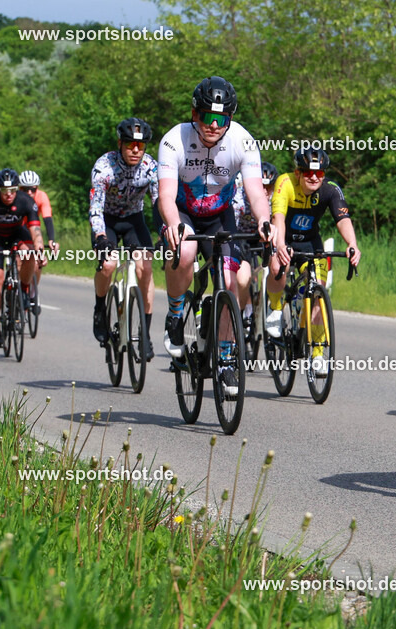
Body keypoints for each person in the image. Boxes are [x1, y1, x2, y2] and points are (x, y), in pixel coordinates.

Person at [157, 76, 271, 396]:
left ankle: (225, 358)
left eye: (221, 119)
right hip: (181, 211)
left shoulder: (243, 141)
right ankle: (176, 313)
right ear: (195, 114)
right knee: (186, 253)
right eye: (207, 116)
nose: (213, 125)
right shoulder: (173, 140)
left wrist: (263, 220)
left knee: (231, 280)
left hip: (220, 215)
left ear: (229, 119)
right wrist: (173, 224)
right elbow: (165, 195)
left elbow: (255, 193)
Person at [264, 148, 361, 377]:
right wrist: (279, 246)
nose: (314, 177)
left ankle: (318, 354)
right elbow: (278, 218)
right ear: (298, 172)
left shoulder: (330, 189)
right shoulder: (285, 183)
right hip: (284, 238)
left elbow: (343, 219)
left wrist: (352, 244)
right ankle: (275, 308)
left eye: (319, 173)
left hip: (310, 244)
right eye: (308, 172)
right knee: (278, 265)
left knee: (317, 291)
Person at [88, 117, 160, 359]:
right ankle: (100, 309)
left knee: (145, 266)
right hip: (107, 220)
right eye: (130, 145)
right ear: (120, 144)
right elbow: (95, 207)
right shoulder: (104, 167)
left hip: (133, 220)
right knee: (108, 264)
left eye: (141, 146)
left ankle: (146, 335)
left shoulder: (151, 168)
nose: (136, 150)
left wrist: (165, 233)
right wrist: (99, 236)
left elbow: (158, 204)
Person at [0, 168, 45, 348]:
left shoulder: (26, 201)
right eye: (4, 191)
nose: (8, 195)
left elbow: (35, 230)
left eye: (12, 191)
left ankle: (23, 290)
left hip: (17, 234)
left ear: (17, 189)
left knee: (30, 252)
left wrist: (40, 250)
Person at [232, 161, 278, 323]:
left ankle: (275, 308)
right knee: (243, 279)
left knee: (278, 266)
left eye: (269, 187)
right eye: (261, 187)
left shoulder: (275, 200)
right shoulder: (239, 198)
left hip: (262, 238)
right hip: (240, 237)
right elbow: (232, 224)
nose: (265, 192)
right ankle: (242, 316)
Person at [19, 169, 58, 312]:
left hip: (33, 230)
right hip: (18, 230)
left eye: (33, 189)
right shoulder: (15, 198)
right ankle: (15, 291)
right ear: (19, 188)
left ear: (37, 188)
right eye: (25, 189)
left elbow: (47, 219)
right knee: (19, 260)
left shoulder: (42, 197)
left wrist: (52, 240)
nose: (29, 193)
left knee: (38, 261)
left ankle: (33, 292)